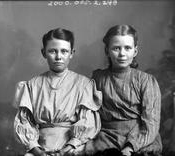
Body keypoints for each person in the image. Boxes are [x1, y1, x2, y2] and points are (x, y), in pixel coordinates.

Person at [13, 28, 102, 156]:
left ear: (72, 53)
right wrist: (37, 151)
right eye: (52, 51)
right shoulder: (32, 85)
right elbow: (24, 122)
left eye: (64, 51)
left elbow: (87, 121)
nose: (58, 57)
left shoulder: (84, 84)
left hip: (72, 148)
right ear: (44, 53)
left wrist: (66, 150)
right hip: (39, 148)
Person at [85, 25, 162, 156]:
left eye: (127, 48)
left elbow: (151, 123)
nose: (122, 54)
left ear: (135, 51)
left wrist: (130, 147)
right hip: (106, 137)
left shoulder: (146, 81)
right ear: (107, 51)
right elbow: (89, 114)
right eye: (116, 48)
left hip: (139, 136)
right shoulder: (98, 78)